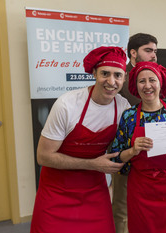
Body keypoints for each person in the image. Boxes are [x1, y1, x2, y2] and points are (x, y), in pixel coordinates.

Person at [30, 46, 129, 233]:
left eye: (118, 75)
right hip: (57, 190)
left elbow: (127, 149)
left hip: (94, 190)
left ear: (124, 78)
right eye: (105, 73)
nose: (111, 81)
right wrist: (93, 164)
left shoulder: (122, 107)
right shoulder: (67, 104)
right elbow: (43, 156)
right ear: (94, 73)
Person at [110, 61, 166, 233]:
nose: (147, 86)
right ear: (135, 85)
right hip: (141, 192)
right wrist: (133, 150)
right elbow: (116, 157)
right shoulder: (129, 116)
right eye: (142, 81)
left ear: (160, 83)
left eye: (152, 80)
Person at [112, 33, 158, 233]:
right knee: (122, 204)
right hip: (125, 147)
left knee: (148, 202)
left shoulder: (155, 74)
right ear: (133, 52)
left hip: (151, 149)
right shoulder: (120, 77)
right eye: (148, 51)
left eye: (155, 51)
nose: (153, 55)